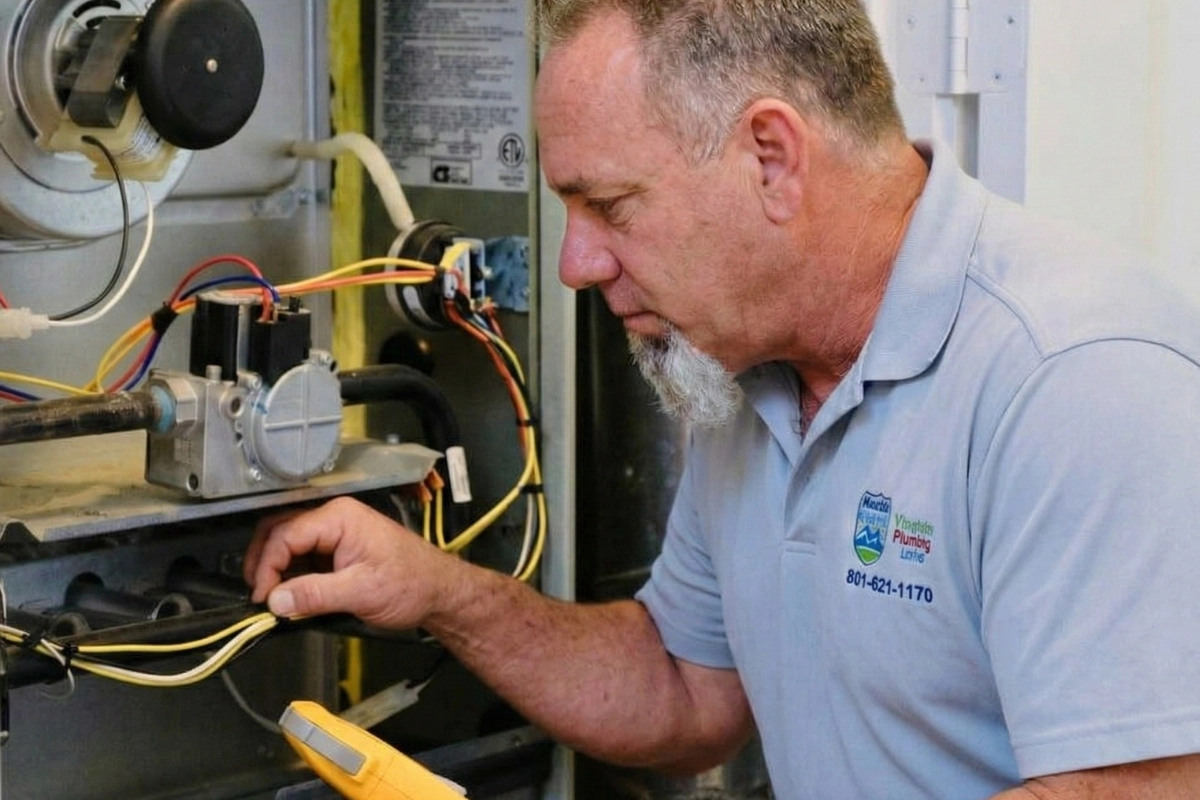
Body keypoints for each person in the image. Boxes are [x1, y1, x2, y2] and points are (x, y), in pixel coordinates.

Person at [245, 1, 1200, 796]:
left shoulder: (1076, 377)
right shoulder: (746, 374)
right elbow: (683, 687)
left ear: (771, 158)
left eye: (611, 208)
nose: (576, 264)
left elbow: (1133, 788)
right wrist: (438, 594)